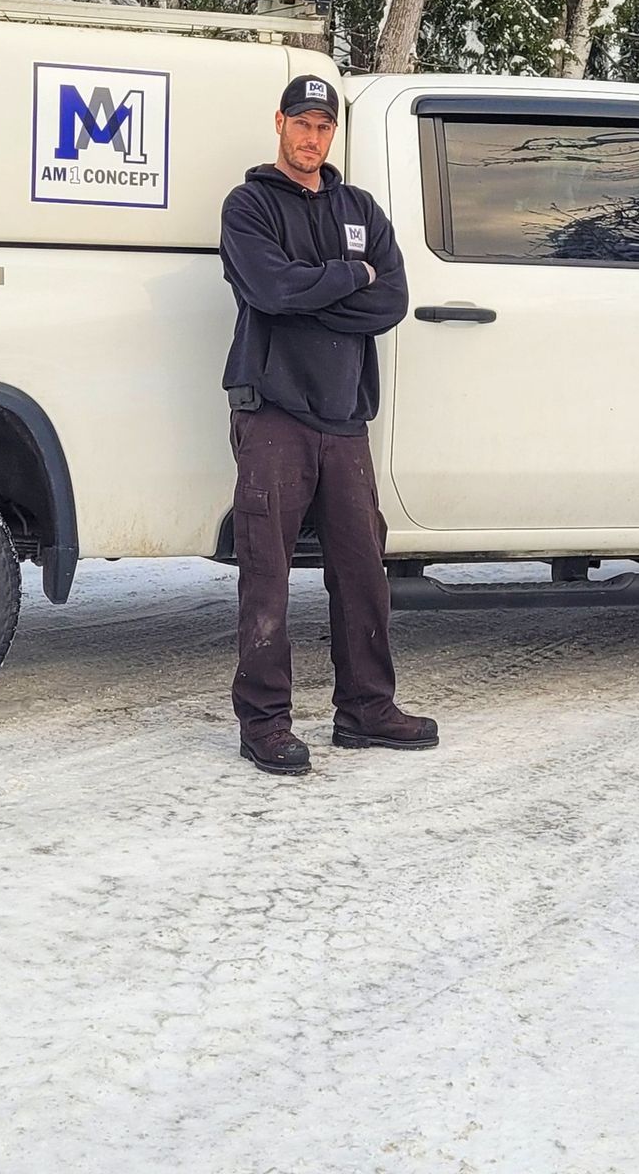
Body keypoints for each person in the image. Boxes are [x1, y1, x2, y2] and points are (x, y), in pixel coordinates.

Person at [217, 74, 438, 775]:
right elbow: (269, 289)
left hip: (345, 418)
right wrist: (350, 275)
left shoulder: (360, 207)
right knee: (267, 573)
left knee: (360, 570)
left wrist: (319, 288)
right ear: (278, 123)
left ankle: (367, 710)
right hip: (274, 414)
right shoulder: (248, 205)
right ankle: (265, 723)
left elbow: (393, 300)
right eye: (301, 123)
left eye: (324, 125)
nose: (312, 137)